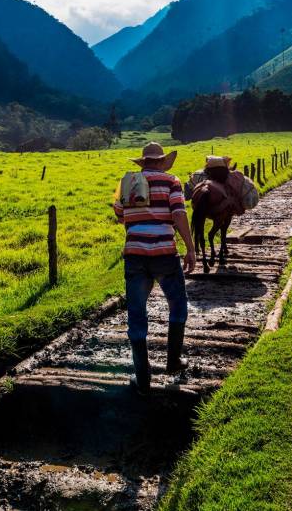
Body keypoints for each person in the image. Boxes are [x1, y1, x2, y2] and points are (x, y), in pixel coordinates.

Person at [114, 142, 197, 395]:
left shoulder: (126, 182)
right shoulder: (172, 181)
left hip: (135, 256)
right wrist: (190, 248)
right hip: (164, 254)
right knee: (178, 304)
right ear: (161, 161)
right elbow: (179, 214)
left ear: (142, 162)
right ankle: (172, 362)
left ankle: (143, 379)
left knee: (137, 313)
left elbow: (119, 215)